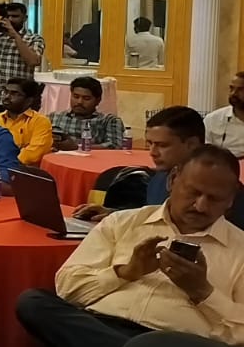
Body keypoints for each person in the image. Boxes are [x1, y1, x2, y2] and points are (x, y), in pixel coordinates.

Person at [16, 146, 244, 347]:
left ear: (231, 200)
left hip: (174, 343)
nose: (200, 206)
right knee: (33, 301)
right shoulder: (123, 222)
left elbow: (240, 336)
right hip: (98, 326)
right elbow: (67, 289)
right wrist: (126, 272)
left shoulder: (240, 249)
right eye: (193, 192)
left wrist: (202, 292)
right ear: (172, 180)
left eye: (214, 199)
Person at [75, 105, 244, 230]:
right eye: (150, 144)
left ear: (192, 144)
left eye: (162, 145)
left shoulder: (224, 187)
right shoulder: (160, 178)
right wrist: (114, 214)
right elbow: (157, 217)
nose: (153, 152)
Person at [0, 2, 46, 87]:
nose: (10, 19)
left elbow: (33, 61)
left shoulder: (34, 39)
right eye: (7, 16)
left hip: (18, 93)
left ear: (25, 18)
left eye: (15, 16)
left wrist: (15, 35)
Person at [0, 78, 53, 167]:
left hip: (23, 171)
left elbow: (34, 154)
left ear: (29, 100)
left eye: (14, 93)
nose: (7, 96)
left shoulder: (40, 122)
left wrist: (6, 163)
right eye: (5, 92)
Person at [47, 76, 125, 151]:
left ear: (98, 100)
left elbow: (115, 146)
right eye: (76, 96)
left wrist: (77, 147)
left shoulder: (109, 121)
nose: (79, 102)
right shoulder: (54, 117)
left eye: (86, 98)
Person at [204, 71, 244, 157]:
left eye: (240, 89)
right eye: (231, 88)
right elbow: (204, 154)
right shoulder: (212, 119)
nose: (233, 93)